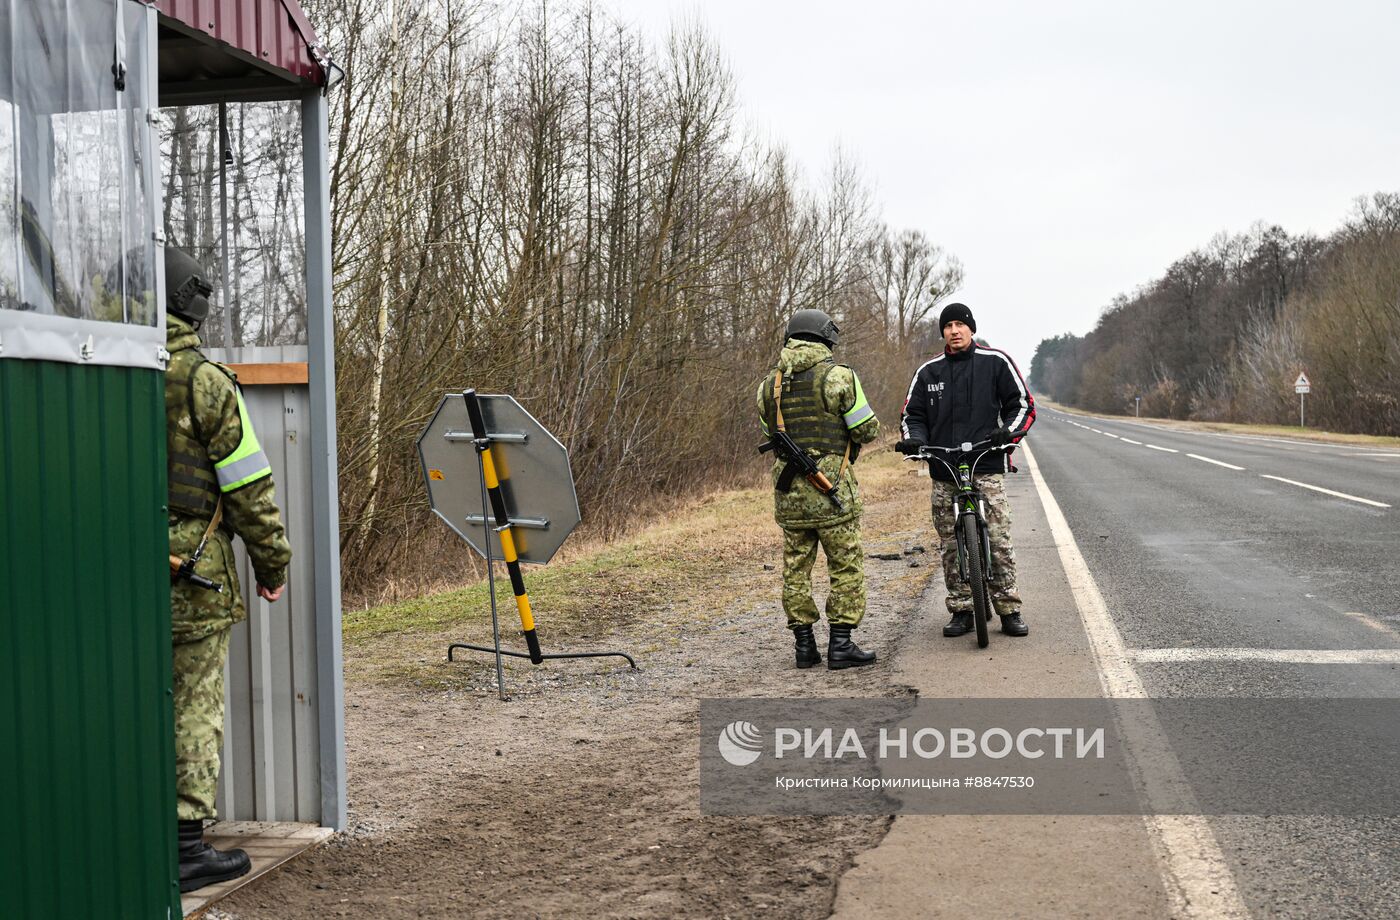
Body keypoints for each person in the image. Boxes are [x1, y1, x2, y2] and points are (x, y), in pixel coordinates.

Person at [164, 246, 293, 892]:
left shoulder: (105, 373)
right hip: (191, 576)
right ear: (191, 304)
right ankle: (186, 847)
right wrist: (272, 564)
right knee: (191, 705)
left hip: (103, 569)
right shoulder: (203, 383)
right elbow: (248, 491)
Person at [895, 302, 1035, 637]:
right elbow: (912, 416)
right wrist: (915, 441)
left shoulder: (995, 362)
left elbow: (1022, 404)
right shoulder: (928, 372)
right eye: (948, 326)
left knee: (998, 539)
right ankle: (962, 609)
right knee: (949, 543)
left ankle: (1009, 609)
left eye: (960, 324)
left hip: (986, 463)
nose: (954, 331)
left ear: (971, 328)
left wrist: (1008, 432)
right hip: (944, 467)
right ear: (942, 332)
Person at [756, 309, 882, 669]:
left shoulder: (769, 385)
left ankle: (804, 646)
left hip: (790, 497)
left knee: (796, 569)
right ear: (826, 339)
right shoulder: (840, 377)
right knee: (845, 566)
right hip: (832, 494)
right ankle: (841, 646)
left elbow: (770, 435)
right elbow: (866, 430)